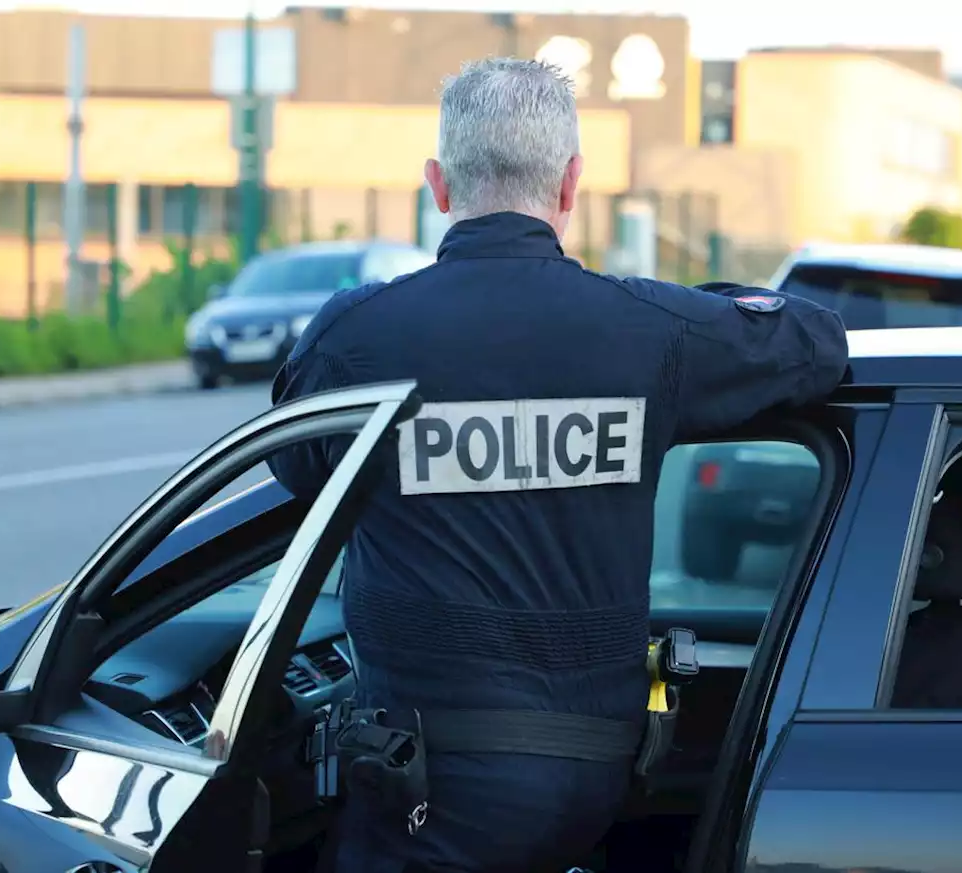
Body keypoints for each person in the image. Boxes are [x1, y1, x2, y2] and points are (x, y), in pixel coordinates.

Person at [268, 57, 849, 873]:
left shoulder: (355, 336)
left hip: (421, 795)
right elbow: (815, 339)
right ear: (571, 184)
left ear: (438, 185)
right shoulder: (649, 332)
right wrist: (679, 306)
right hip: (596, 785)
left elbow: (297, 478)